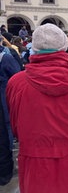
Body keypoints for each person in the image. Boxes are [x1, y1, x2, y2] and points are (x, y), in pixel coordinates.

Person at [7, 23, 68, 192]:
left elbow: (16, 126)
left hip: (36, 166)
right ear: (63, 46)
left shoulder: (17, 83)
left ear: (33, 47)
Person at [0, 43, 23, 186]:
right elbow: (17, 76)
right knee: (4, 135)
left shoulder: (4, 57)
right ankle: (4, 173)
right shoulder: (5, 57)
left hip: (3, 103)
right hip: (3, 104)